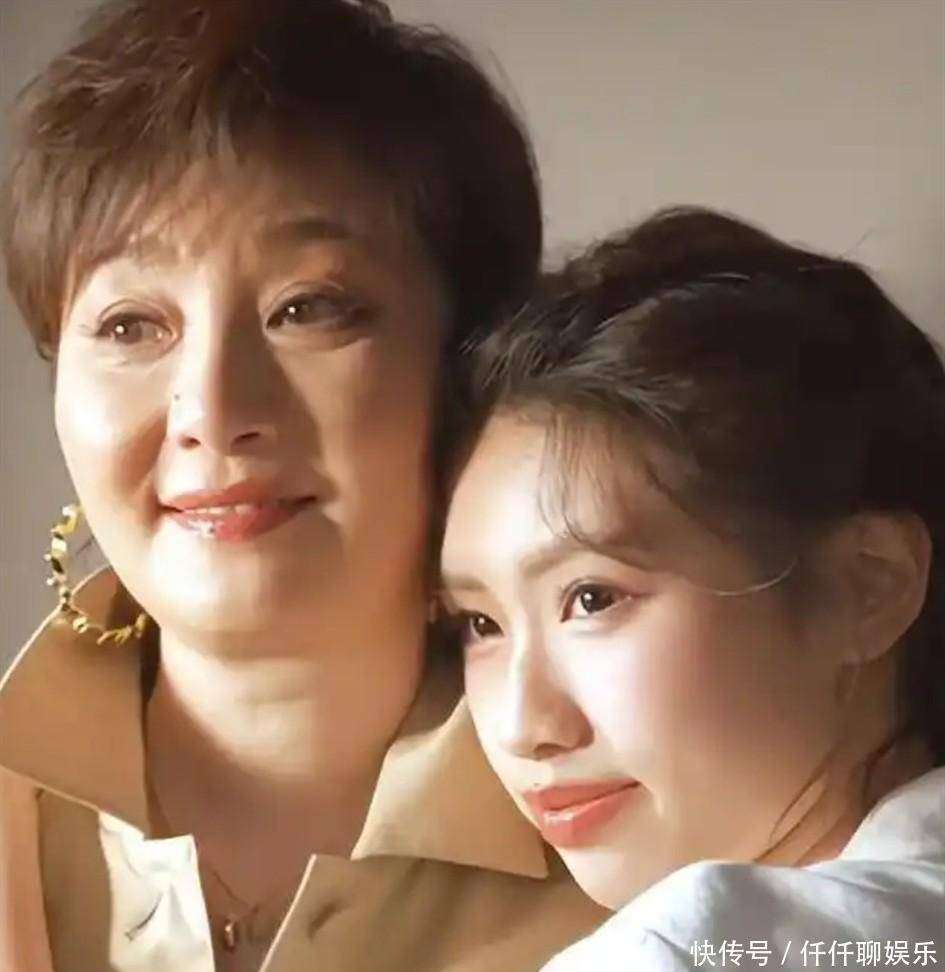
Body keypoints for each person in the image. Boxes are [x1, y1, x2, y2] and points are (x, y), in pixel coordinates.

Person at [0, 2, 606, 970]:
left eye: (307, 307)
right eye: (129, 325)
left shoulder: (656, 854)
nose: (211, 410)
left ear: (465, 365)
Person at [439, 207, 945, 970]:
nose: (523, 726)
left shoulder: (678, 951)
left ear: (866, 586)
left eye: (592, 598)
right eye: (479, 623)